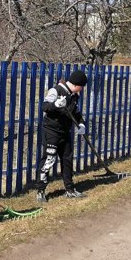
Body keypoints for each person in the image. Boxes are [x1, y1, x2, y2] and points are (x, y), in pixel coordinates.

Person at [36, 70, 88, 202]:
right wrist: (55, 105)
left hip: (65, 132)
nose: (81, 90)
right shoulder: (56, 90)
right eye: (81, 87)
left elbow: (75, 112)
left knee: (67, 160)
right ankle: (40, 191)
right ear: (77, 85)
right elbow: (44, 106)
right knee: (48, 160)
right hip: (52, 132)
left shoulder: (74, 95)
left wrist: (81, 124)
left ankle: (70, 190)